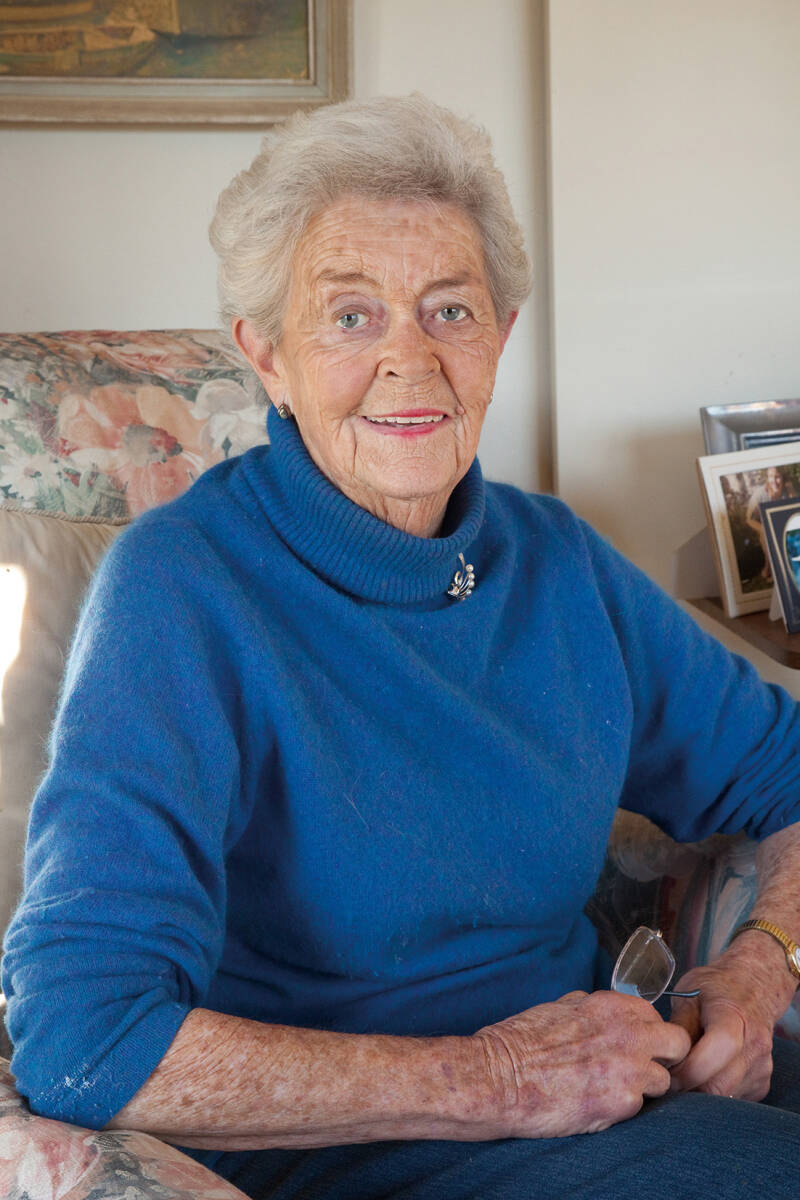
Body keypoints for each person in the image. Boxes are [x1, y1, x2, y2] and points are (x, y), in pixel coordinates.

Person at [3, 94, 800, 1200]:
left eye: (448, 310)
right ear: (267, 357)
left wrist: (763, 964)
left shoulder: (555, 562)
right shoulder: (180, 592)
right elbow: (82, 1035)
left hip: (610, 1088)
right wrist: (496, 1080)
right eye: (349, 316)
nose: (408, 361)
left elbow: (786, 771)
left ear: (498, 337)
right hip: (355, 1147)